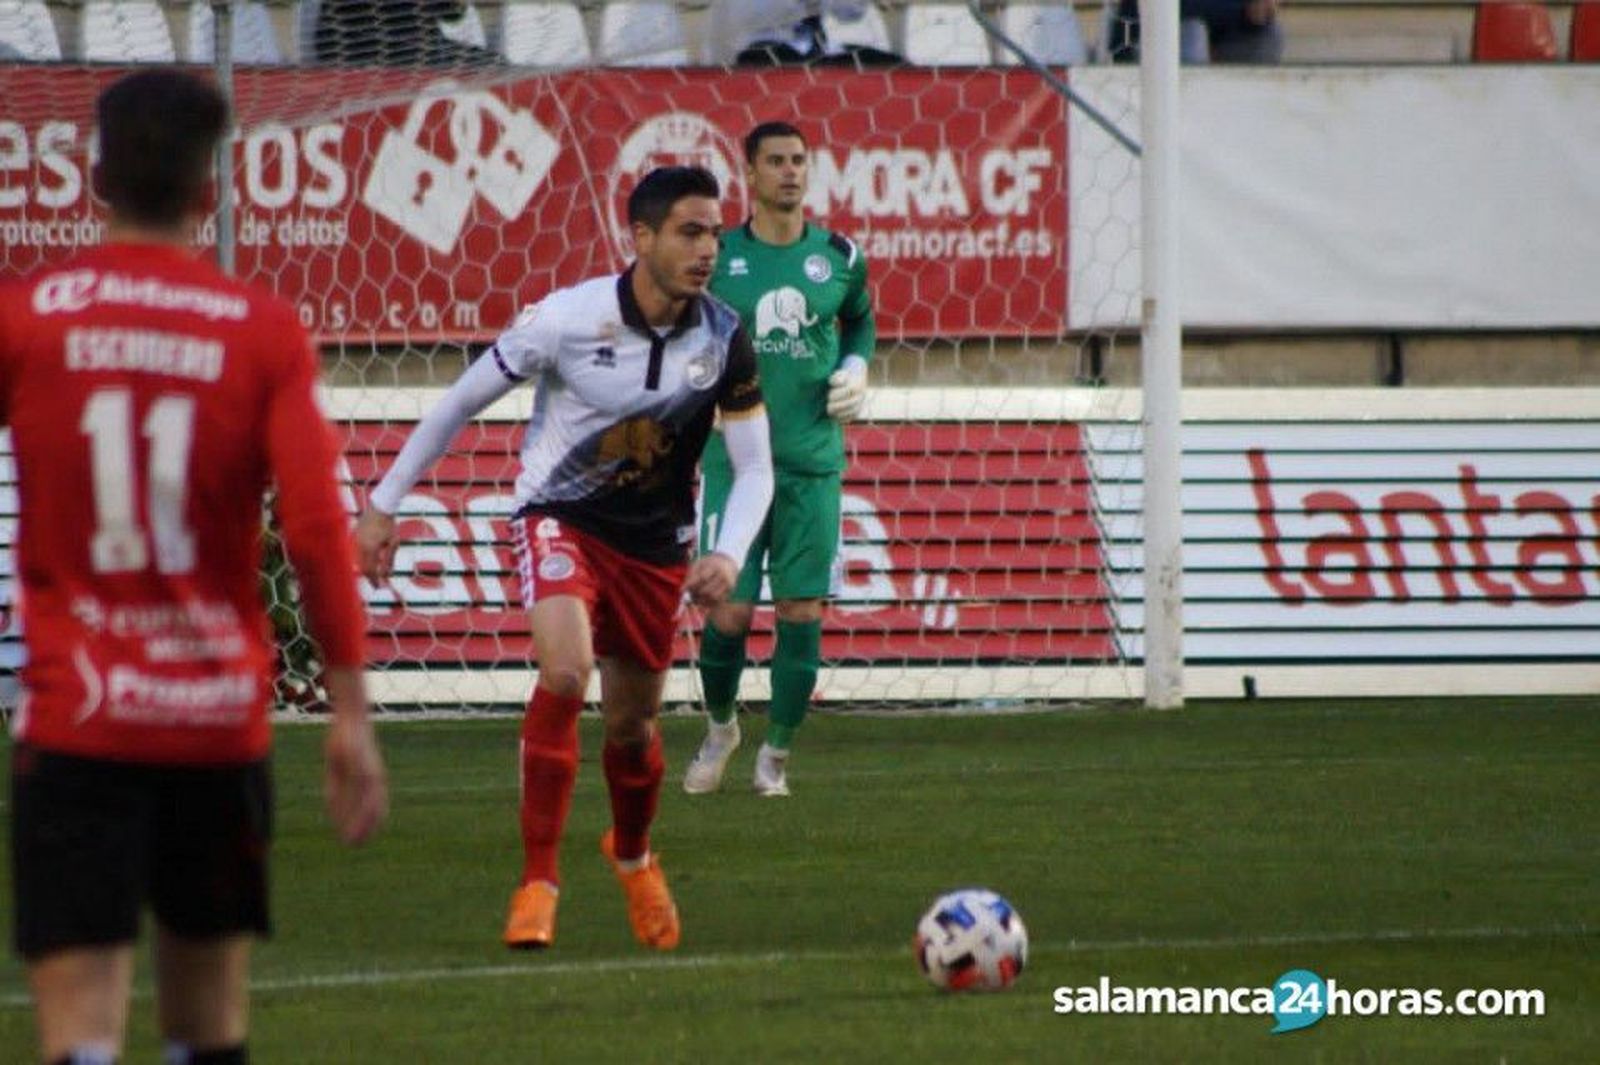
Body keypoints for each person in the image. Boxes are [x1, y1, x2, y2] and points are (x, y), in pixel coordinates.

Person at [0, 70, 387, 1065]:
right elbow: (316, 531)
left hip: (77, 719)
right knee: (208, 1025)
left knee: (79, 1032)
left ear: (94, 179)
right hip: (213, 726)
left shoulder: (28, 319)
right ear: (209, 191)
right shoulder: (261, 331)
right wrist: (349, 710)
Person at [354, 166, 774, 952]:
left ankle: (633, 854)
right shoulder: (566, 319)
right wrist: (382, 503)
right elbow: (461, 401)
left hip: (654, 546)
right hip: (560, 519)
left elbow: (755, 467)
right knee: (566, 672)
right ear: (641, 237)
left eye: (715, 234)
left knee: (632, 727)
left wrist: (727, 550)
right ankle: (538, 880)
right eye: (689, 232)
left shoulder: (724, 336)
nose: (708, 250)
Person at [683, 121, 875, 799]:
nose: (790, 171)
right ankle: (720, 728)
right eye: (776, 161)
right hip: (734, 463)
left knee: (801, 610)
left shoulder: (839, 256)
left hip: (811, 461)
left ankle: (777, 754)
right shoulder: (720, 256)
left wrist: (856, 365)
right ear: (750, 173)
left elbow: (860, 319)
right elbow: (684, 330)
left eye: (798, 160)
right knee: (727, 613)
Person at [716, 0, 901, 67]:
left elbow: (851, 13)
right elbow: (747, 16)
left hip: (822, 49)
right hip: (765, 48)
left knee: (893, 66)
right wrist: (803, 5)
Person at [1109, 0, 1285, 64]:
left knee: (1270, 34)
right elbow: (1180, 9)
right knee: (1192, 33)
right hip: (1147, 46)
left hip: (1219, 38)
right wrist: (1242, 13)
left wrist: (1256, 16)